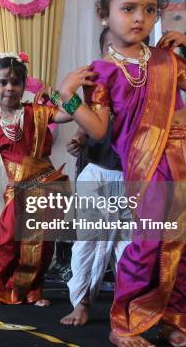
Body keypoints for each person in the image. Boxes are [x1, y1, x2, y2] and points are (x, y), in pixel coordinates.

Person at [58, 0, 186, 347]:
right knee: (149, 243)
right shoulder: (102, 72)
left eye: (148, 9)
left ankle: (177, 322)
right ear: (103, 13)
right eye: (128, 8)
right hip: (149, 164)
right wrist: (68, 96)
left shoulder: (165, 58)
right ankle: (126, 322)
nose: (140, 17)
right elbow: (97, 130)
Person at [0, 52, 73, 306]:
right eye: (3, 82)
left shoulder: (37, 112)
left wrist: (55, 94)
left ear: (24, 86)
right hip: (17, 192)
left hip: (47, 187)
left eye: (15, 82)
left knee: (43, 244)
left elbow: (69, 115)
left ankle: (33, 290)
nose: (10, 88)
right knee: (7, 241)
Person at [60, 28, 130, 326]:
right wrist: (80, 136)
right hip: (98, 173)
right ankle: (82, 303)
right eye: (113, 50)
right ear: (102, 54)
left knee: (128, 245)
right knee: (89, 240)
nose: (121, 57)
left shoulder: (142, 86)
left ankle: (128, 306)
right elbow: (90, 121)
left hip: (131, 175)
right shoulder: (95, 83)